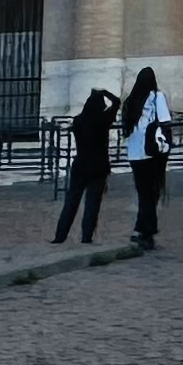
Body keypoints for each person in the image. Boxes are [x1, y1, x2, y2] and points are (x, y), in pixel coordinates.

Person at [51, 83, 120, 244]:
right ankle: (86, 236)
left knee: (71, 201)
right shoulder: (104, 120)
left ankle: (60, 235)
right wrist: (105, 93)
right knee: (92, 203)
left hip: (80, 164)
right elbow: (117, 102)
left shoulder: (78, 121)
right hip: (99, 165)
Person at [121, 65, 174, 247]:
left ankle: (141, 228)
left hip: (134, 152)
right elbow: (165, 121)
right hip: (152, 151)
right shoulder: (157, 97)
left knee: (143, 192)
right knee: (152, 192)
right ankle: (147, 231)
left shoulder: (130, 100)